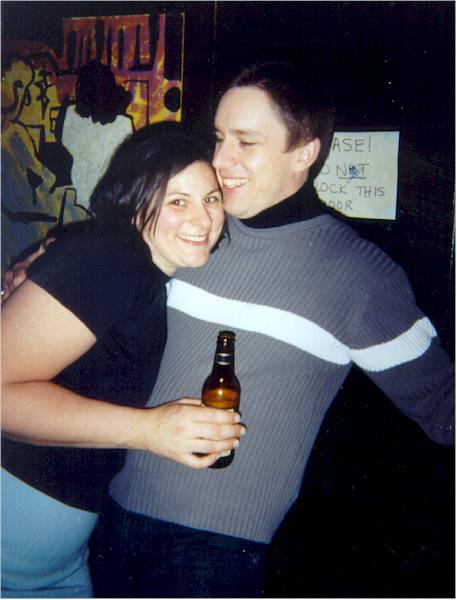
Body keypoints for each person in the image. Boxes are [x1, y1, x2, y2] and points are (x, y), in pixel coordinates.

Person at [5, 61, 455, 598]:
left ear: (305, 152)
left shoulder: (360, 275)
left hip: (212, 552)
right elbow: (104, 264)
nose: (220, 160)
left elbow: (445, 408)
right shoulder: (197, 234)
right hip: (104, 516)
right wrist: (48, 255)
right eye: (219, 138)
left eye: (246, 142)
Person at [1, 121, 245, 598]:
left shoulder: (137, 266)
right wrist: (150, 430)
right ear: (134, 198)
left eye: (211, 199)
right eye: (177, 201)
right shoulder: (114, 256)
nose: (202, 219)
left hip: (52, 559)